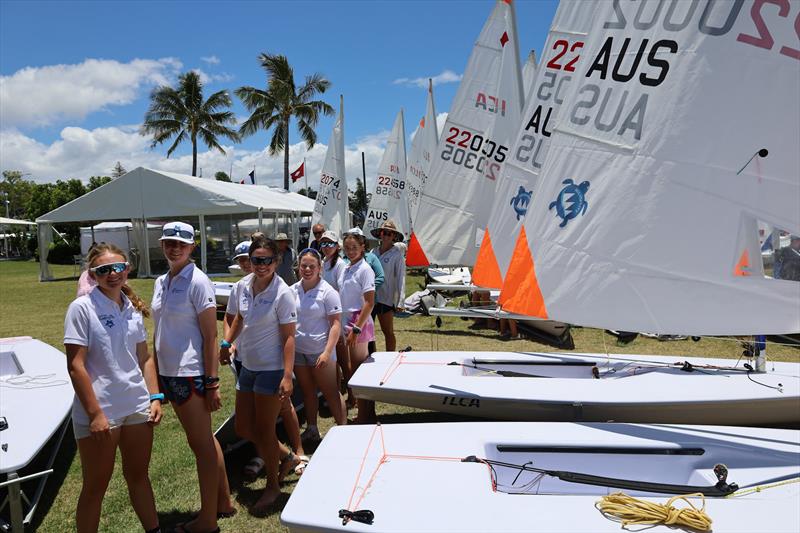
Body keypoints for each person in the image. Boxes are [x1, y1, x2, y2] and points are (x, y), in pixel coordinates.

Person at [64, 243, 162, 533]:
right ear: (93, 275)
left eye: (117, 267)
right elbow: (75, 366)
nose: (112, 274)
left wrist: (154, 397)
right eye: (103, 270)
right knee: (96, 486)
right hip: (101, 412)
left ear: (127, 269)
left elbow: (144, 358)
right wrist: (95, 415)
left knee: (139, 476)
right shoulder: (81, 308)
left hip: (135, 406)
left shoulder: (131, 307)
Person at [151, 222, 234, 533]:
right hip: (169, 372)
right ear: (162, 244)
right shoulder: (161, 281)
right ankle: (223, 503)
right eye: (169, 242)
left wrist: (212, 382)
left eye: (181, 244)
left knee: (200, 446)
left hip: (191, 373)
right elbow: (160, 330)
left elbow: (210, 336)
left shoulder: (198, 282)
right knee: (204, 442)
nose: (175, 248)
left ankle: (207, 521)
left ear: (192, 247)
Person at [219, 235, 299, 509]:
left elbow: (289, 338)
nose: (261, 265)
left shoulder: (282, 293)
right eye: (256, 260)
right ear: (249, 260)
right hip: (248, 367)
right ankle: (287, 456)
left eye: (267, 260)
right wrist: (227, 342)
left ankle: (273, 487)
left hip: (271, 369)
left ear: (276, 262)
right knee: (243, 427)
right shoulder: (242, 287)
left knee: (264, 430)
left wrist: (287, 376)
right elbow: (239, 317)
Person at [292, 248, 347, 441]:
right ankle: (312, 428)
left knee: (331, 392)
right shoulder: (293, 290)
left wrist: (327, 352)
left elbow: (336, 324)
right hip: (299, 352)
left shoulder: (327, 292)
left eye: (311, 266)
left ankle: (344, 430)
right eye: (303, 265)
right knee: (307, 392)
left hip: (320, 352)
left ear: (319, 267)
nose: (307, 269)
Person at [339, 228, 377, 423]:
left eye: (354, 247)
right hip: (347, 321)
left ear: (362, 247)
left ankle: (365, 415)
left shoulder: (365, 269)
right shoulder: (347, 268)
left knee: (359, 370)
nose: (350, 251)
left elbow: (369, 302)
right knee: (355, 369)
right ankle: (366, 413)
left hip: (358, 322)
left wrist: (356, 328)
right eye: (347, 247)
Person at [369, 220, 406, 352]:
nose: (386, 236)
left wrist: (401, 301)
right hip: (371, 297)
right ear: (380, 234)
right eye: (384, 232)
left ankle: (390, 357)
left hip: (386, 298)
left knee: (387, 331)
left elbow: (401, 277)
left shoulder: (397, 254)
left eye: (389, 234)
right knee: (368, 332)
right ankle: (370, 357)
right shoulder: (373, 252)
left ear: (394, 237)